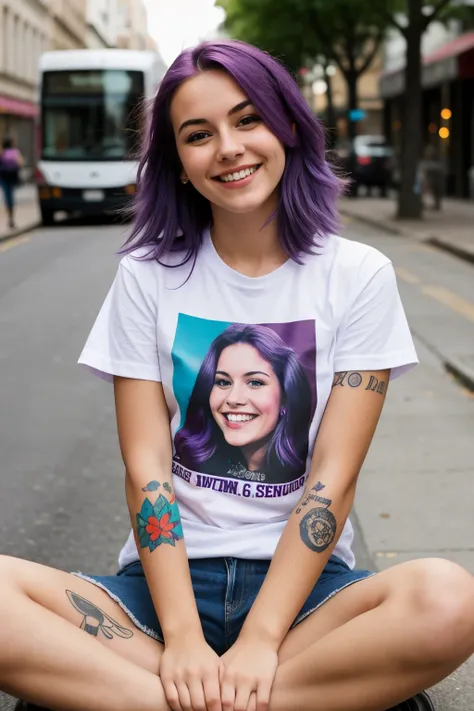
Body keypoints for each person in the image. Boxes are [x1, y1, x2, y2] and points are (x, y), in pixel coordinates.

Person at [1, 39, 474, 711]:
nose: (228, 147)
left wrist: (259, 637)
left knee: (450, 600)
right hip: (161, 592)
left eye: (248, 119)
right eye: (199, 134)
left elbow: (331, 480)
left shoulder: (358, 275)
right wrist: (186, 641)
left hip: (308, 597)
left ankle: (156, 697)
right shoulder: (146, 278)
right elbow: (147, 469)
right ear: (178, 162)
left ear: (286, 125)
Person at [174, 323, 313, 483]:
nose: (233, 399)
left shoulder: (312, 465)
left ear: (285, 397)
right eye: (223, 382)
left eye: (255, 382)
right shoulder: (192, 458)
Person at [0, 136, 23, 229]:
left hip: (3, 177)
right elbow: (20, 163)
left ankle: (9, 216)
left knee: (7, 196)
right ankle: (11, 218)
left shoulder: (2, 152)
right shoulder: (15, 152)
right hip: (12, 177)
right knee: (11, 197)